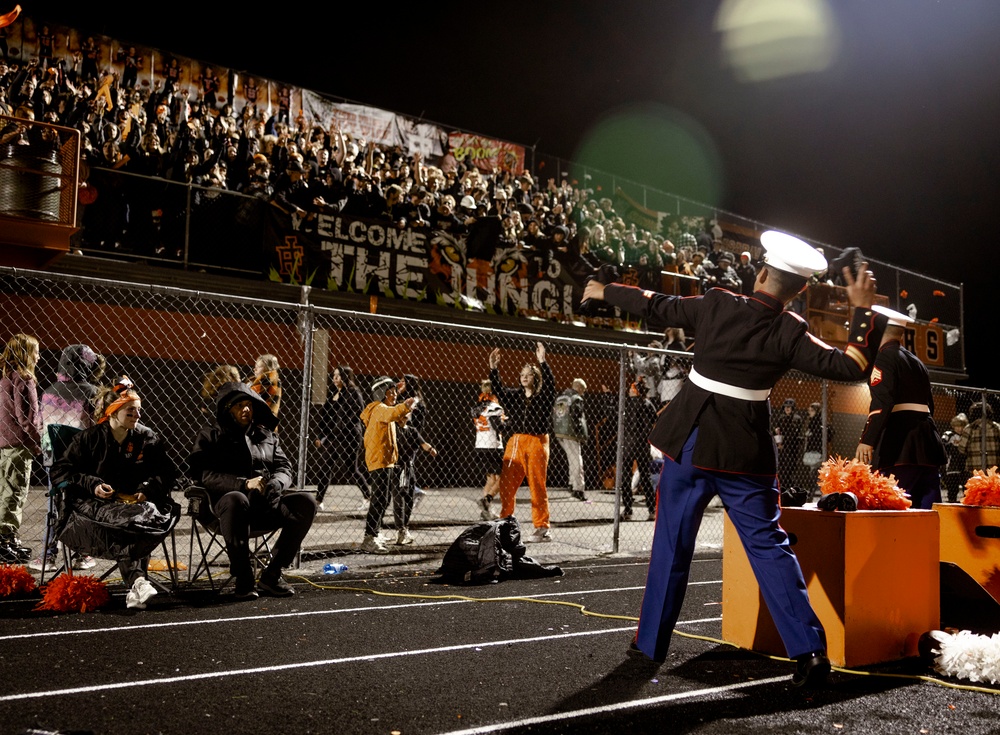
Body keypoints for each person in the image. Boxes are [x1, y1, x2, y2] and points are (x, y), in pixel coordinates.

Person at [582, 229, 883, 687]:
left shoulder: (718, 302)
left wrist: (605, 290)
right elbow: (852, 367)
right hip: (746, 455)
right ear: (799, 291)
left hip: (690, 443)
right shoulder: (791, 330)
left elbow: (655, 303)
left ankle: (650, 646)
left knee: (671, 547)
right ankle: (810, 654)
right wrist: (862, 311)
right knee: (769, 549)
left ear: (760, 273)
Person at [52, 378, 180, 609]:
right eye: (131, 412)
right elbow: (61, 471)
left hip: (135, 504)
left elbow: (167, 473)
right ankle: (138, 580)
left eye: (139, 411)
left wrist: (147, 489)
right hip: (95, 506)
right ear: (113, 412)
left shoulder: (147, 437)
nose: (138, 416)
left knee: (142, 516)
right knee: (131, 522)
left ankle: (136, 585)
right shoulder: (89, 438)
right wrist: (92, 484)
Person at [189, 382, 317, 598]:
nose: (246, 409)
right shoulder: (210, 435)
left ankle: (272, 575)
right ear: (228, 409)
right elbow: (204, 475)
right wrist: (243, 483)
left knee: (306, 501)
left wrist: (277, 482)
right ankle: (244, 578)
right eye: (239, 405)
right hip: (225, 510)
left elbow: (284, 467)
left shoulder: (266, 435)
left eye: (249, 404)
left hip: (264, 506)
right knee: (236, 499)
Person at [854, 306, 947, 509]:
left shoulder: (884, 357)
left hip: (901, 447)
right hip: (928, 445)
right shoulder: (916, 361)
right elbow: (930, 405)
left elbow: (883, 401)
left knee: (890, 508)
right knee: (929, 513)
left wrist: (868, 440)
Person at [30, 343, 106, 570]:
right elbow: (94, 429)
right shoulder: (91, 392)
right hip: (80, 460)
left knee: (55, 506)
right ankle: (81, 555)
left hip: (53, 458)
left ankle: (48, 556)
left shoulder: (49, 391)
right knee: (79, 504)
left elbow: (42, 426)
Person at [489, 342, 556, 542]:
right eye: (522, 374)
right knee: (508, 483)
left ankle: (542, 527)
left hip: (536, 441)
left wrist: (542, 361)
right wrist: (493, 368)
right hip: (516, 440)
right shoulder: (515, 397)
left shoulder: (542, 396)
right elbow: (499, 391)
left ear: (536, 377)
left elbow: (551, 385)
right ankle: (506, 520)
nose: (524, 376)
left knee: (537, 484)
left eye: (528, 374)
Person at [359, 376, 415, 554]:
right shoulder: (380, 409)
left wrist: (401, 408)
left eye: (395, 392)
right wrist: (405, 405)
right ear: (381, 394)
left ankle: (374, 533)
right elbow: (392, 413)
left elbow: (396, 418)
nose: (395, 395)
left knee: (382, 499)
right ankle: (369, 537)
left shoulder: (382, 409)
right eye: (390, 392)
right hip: (380, 460)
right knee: (379, 499)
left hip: (385, 460)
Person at [0, 333, 43, 563]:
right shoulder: (25, 379)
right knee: (15, 493)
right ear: (26, 354)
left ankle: (7, 539)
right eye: (36, 351)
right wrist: (38, 443)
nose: (39, 357)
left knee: (4, 493)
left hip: (4, 445)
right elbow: (28, 418)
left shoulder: (5, 378)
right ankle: (5, 541)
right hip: (18, 445)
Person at [314, 365, 370, 510]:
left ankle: (367, 496)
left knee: (352, 469)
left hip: (349, 436)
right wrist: (321, 435)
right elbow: (326, 416)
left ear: (345, 377)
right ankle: (318, 500)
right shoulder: (333, 393)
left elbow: (358, 412)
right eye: (334, 376)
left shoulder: (353, 392)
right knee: (326, 467)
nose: (334, 379)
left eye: (338, 376)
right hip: (334, 437)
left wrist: (343, 427)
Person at [394, 412, 437, 545]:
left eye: (406, 415)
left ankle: (404, 528)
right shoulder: (393, 429)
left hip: (409, 468)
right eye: (402, 415)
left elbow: (422, 443)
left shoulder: (412, 430)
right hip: (398, 467)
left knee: (409, 498)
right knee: (399, 496)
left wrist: (430, 449)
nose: (405, 417)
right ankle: (400, 529)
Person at [620, 381, 658, 521]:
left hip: (628, 444)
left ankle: (628, 509)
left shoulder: (627, 404)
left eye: (632, 388)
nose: (629, 390)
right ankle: (652, 509)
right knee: (645, 476)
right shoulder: (647, 404)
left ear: (636, 391)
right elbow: (655, 419)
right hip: (642, 444)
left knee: (626, 477)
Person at [472, 379, 505, 520]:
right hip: (493, 446)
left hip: (480, 444)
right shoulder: (494, 406)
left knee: (491, 478)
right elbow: (499, 427)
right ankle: (487, 499)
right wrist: (509, 422)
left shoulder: (477, 406)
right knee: (503, 478)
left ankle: (486, 512)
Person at [552, 378, 588, 501]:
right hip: (571, 432)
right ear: (579, 388)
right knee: (577, 461)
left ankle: (571, 484)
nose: (583, 392)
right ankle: (578, 489)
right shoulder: (576, 398)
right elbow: (577, 416)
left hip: (560, 432)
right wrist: (581, 433)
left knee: (571, 459)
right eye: (583, 390)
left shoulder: (560, 398)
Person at [956, 401, 1000, 476]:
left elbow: (961, 449)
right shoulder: (997, 427)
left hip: (975, 470)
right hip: (994, 470)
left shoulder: (970, 428)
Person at [941, 413, 969, 503]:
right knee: (952, 488)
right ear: (953, 426)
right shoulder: (949, 435)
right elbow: (942, 443)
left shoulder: (966, 436)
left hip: (964, 465)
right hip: (952, 465)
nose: (960, 429)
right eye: (957, 426)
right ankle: (951, 502)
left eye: (962, 426)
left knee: (966, 486)